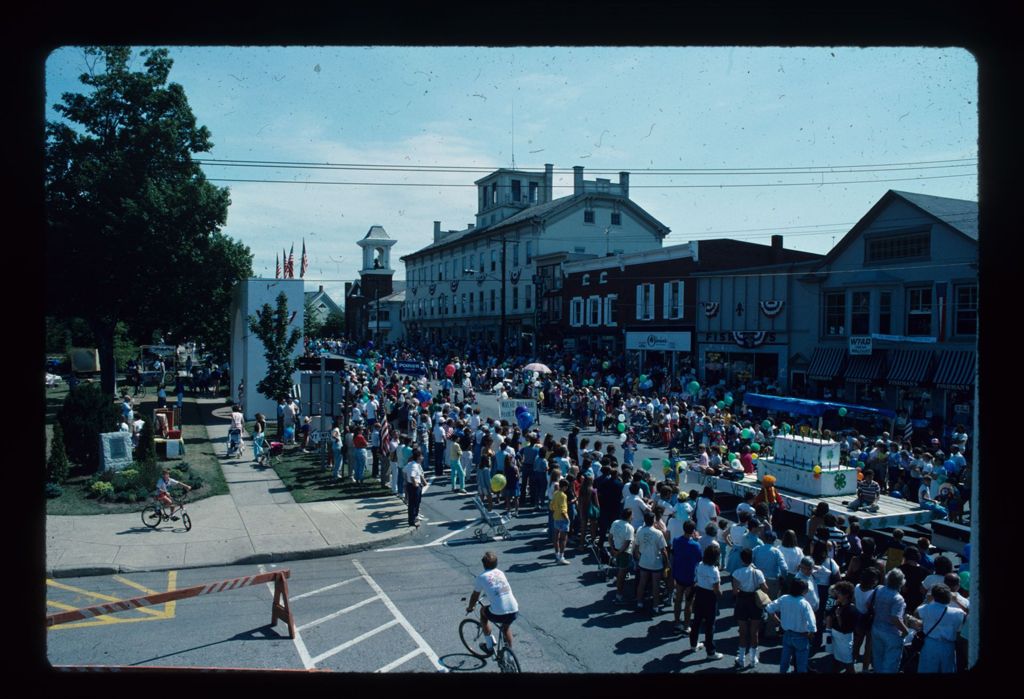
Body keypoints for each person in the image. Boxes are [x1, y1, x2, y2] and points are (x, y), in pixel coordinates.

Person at [465, 551, 519, 656]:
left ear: (483, 564)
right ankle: (510, 655)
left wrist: (470, 607)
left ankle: (489, 645)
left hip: (499, 613)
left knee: (483, 612)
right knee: (505, 627)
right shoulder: (501, 573)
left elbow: (475, 595)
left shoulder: (481, 577)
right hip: (514, 609)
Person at [907, 584, 965, 673]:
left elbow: (916, 613)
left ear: (934, 596)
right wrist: (956, 601)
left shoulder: (925, 608)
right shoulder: (958, 612)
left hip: (929, 644)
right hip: (948, 646)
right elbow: (968, 614)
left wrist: (929, 600)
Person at [765, 577, 817, 673]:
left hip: (787, 635)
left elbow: (769, 608)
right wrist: (811, 634)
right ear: (803, 591)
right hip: (801, 636)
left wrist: (777, 621)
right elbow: (812, 623)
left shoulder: (784, 598)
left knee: (785, 661)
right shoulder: (804, 603)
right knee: (801, 665)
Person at [733, 548, 769, 668]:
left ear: (741, 559)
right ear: (751, 558)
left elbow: (735, 591)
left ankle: (741, 659)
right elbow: (765, 588)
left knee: (742, 631)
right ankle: (753, 659)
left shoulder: (737, 573)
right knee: (754, 632)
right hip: (754, 601)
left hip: (742, 601)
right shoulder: (757, 572)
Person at [689, 543, 725, 661]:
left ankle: (693, 644)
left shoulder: (699, 565)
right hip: (710, 598)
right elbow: (717, 590)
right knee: (710, 626)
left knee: (696, 621)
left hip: (699, 594)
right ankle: (710, 652)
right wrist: (721, 594)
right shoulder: (714, 571)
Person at [871, 568, 910, 673]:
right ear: (901, 582)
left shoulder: (879, 589)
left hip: (876, 627)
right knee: (890, 663)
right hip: (891, 633)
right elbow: (895, 618)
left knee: (877, 659)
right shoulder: (898, 598)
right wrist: (906, 631)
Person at [634, 510, 669, 613]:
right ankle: (655, 606)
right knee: (656, 585)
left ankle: (639, 603)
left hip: (643, 562)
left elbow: (636, 547)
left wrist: (638, 557)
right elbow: (664, 551)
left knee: (642, 583)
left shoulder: (640, 530)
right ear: (653, 520)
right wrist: (666, 563)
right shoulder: (658, 533)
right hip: (656, 563)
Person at [672, 519, 702, 632]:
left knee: (678, 599)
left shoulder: (676, 540)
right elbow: (699, 558)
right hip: (690, 577)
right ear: (693, 530)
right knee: (689, 603)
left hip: (679, 574)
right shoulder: (696, 545)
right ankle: (686, 625)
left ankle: (676, 622)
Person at [826, 581, 858, 673]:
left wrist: (838, 616)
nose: (836, 595)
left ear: (846, 595)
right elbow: (828, 614)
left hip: (844, 639)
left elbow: (845, 629)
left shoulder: (852, 610)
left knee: (848, 664)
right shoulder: (838, 605)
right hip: (835, 636)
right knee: (835, 661)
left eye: (839, 593)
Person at [609, 508, 636, 604]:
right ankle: (619, 596)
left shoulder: (615, 522)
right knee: (621, 575)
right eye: (632, 515)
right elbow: (627, 543)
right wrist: (619, 552)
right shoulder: (629, 528)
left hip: (616, 550)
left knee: (621, 572)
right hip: (624, 553)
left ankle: (619, 593)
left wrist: (613, 549)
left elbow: (610, 537)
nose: (633, 517)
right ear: (629, 516)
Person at [403, 447, 427, 527]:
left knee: (414, 503)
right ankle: (412, 521)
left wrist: (423, 482)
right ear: (418, 457)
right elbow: (413, 476)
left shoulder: (412, 464)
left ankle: (414, 518)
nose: (422, 457)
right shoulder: (414, 466)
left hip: (411, 485)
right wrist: (415, 484)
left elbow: (404, 471)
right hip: (414, 487)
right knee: (413, 504)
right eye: (421, 456)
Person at [550, 478, 572, 564]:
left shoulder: (555, 493)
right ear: (564, 487)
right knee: (563, 539)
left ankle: (557, 555)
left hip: (556, 517)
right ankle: (562, 557)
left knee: (556, 538)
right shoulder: (563, 495)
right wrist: (567, 519)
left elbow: (551, 506)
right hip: (563, 519)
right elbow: (563, 510)